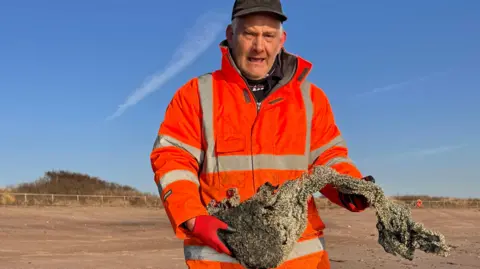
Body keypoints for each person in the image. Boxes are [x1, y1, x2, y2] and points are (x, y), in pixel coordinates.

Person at [150, 0, 372, 268]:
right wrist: (193, 217)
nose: (259, 46)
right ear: (231, 36)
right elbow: (173, 160)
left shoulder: (311, 99)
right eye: (249, 34)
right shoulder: (196, 95)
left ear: (282, 39)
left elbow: (329, 158)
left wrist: (352, 185)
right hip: (221, 259)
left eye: (268, 35)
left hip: (301, 261)